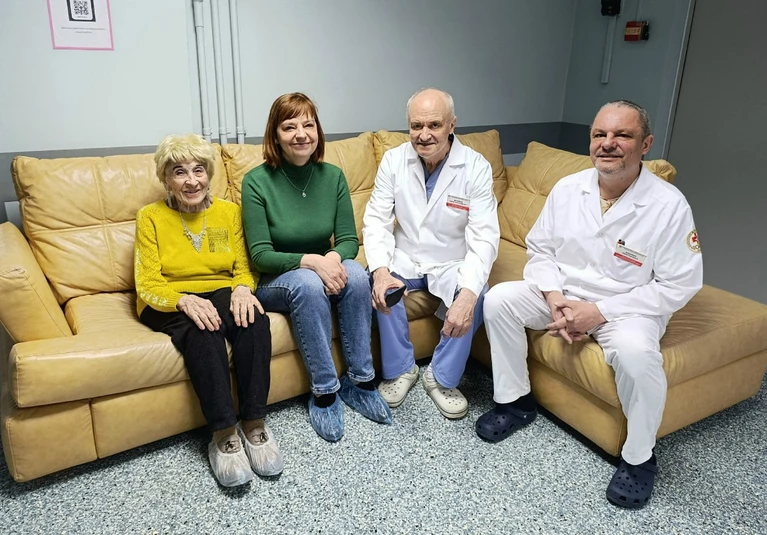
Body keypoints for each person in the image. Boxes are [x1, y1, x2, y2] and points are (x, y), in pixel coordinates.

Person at [477, 100, 703, 508]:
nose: (607, 143)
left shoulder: (669, 205)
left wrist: (599, 312)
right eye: (600, 134)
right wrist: (554, 298)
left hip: (628, 307)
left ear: (646, 144)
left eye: (622, 135)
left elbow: (680, 284)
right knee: (499, 301)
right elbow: (540, 250)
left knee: (638, 357)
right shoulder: (568, 189)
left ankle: (639, 458)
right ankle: (515, 401)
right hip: (563, 294)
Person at [241, 93, 391, 442]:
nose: (301, 134)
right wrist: (312, 262)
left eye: (308, 124)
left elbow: (349, 240)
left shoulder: (332, 176)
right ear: (275, 135)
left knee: (357, 275)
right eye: (289, 126)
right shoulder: (256, 182)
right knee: (308, 284)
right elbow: (260, 255)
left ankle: (360, 382)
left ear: (317, 131)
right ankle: (324, 393)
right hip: (278, 279)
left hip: (324, 268)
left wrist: (333, 260)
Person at [135, 134, 282, 487]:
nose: (191, 181)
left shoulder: (229, 212)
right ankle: (223, 434)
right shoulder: (150, 217)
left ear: (209, 174)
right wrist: (183, 300)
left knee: (253, 319)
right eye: (179, 172)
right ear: (165, 179)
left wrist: (243, 289)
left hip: (220, 289)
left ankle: (254, 423)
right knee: (204, 331)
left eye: (198, 170)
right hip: (168, 297)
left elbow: (244, 267)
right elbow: (148, 282)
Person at [363, 88, 500, 419]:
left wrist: (467, 295)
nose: (424, 135)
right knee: (379, 283)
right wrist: (380, 272)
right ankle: (401, 369)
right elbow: (376, 220)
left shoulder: (475, 167)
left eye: (434, 125)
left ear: (452, 124)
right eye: (416, 126)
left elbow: (484, 236)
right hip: (406, 256)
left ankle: (441, 376)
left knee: (478, 292)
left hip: (452, 260)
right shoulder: (394, 160)